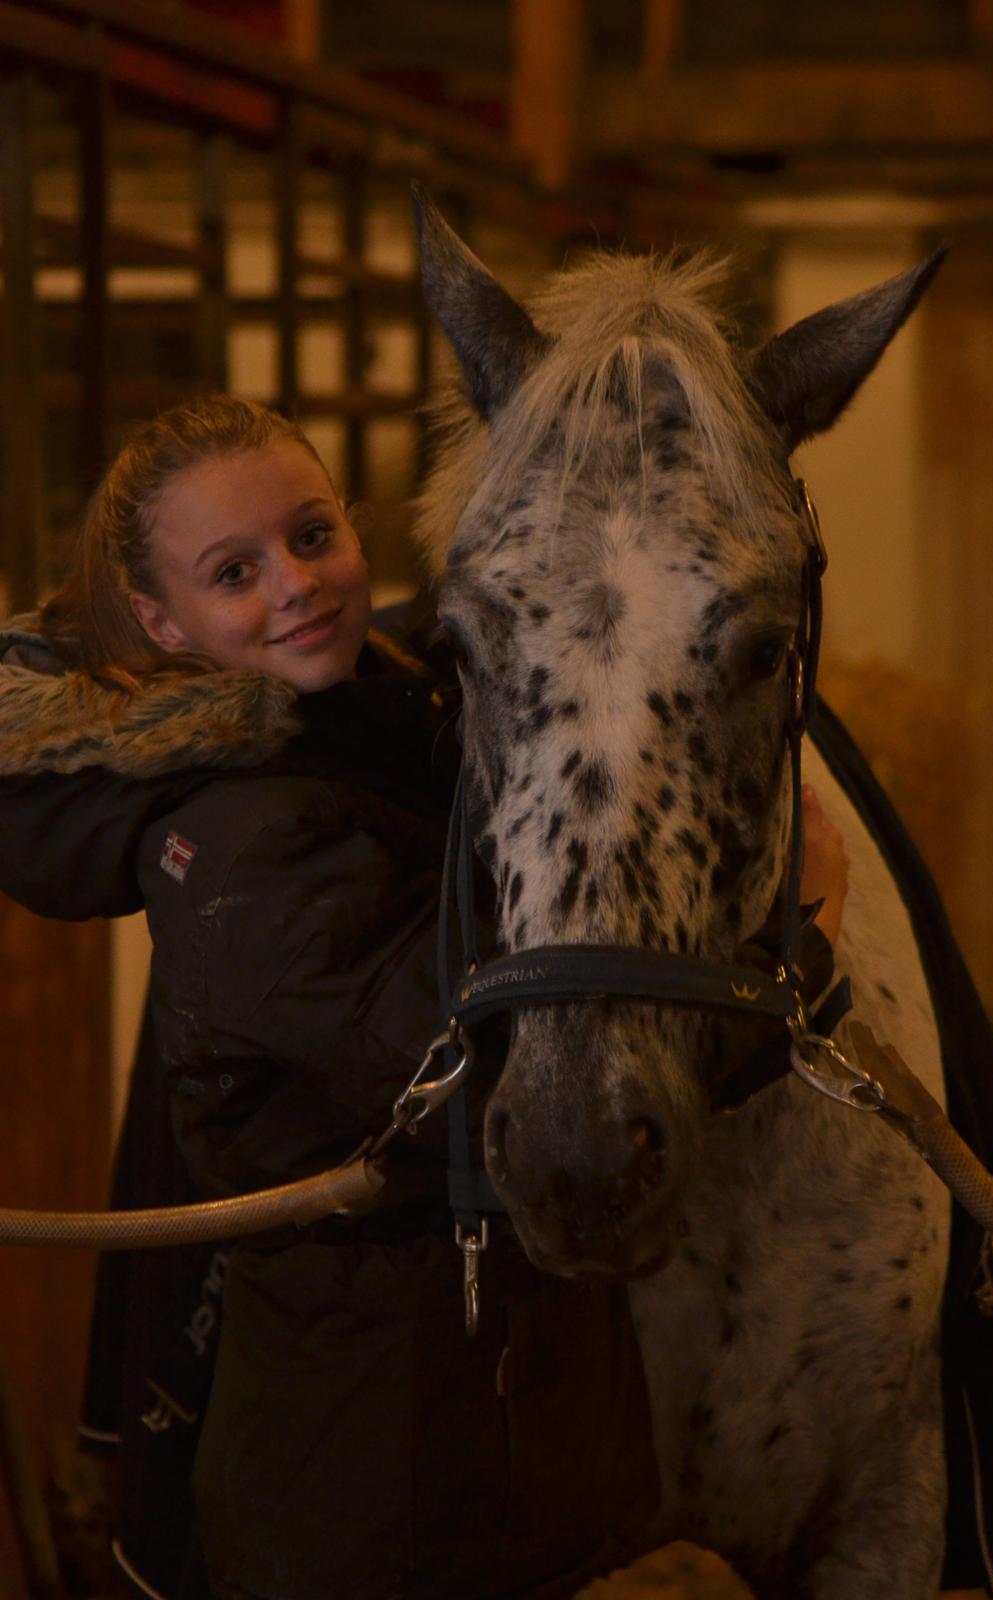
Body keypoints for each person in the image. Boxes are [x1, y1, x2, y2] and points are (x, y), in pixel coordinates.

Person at [0, 393, 850, 1600]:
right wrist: (800, 946)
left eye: (310, 533)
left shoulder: (364, 716)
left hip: (481, 1406)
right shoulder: (242, 846)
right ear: (162, 621)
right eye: (232, 571)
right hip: (377, 1471)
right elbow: (496, 1091)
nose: (293, 584)